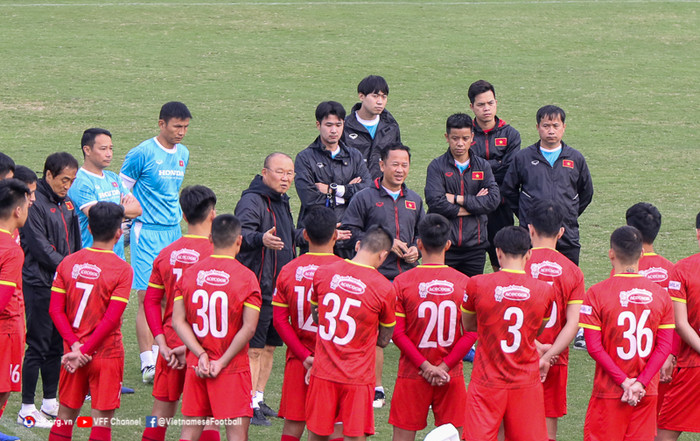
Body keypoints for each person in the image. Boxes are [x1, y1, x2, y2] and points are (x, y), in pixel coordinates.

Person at [341, 143, 424, 407]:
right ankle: (376, 387)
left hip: (407, 278)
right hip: (376, 278)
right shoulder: (364, 197)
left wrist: (415, 250)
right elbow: (349, 232)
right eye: (395, 164)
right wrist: (384, 244)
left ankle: (422, 384)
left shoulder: (415, 199)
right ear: (381, 165)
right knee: (377, 334)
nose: (400, 170)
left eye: (404, 165)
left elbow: (422, 234)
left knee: (416, 333)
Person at [47, 202, 133, 441]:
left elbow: (55, 310)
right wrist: (86, 350)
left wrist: (75, 346)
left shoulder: (68, 262)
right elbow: (111, 318)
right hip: (106, 354)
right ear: (118, 233)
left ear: (91, 228)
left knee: (65, 417)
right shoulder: (122, 269)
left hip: (72, 354)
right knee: (101, 423)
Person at [460, 226, 556, 441]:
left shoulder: (476, 284)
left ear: (498, 253)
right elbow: (534, 331)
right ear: (529, 254)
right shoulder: (545, 290)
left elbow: (469, 325)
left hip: (487, 381)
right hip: (525, 381)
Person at [579, 226, 674, 441]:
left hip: (609, 390)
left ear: (611, 253)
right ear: (641, 253)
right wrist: (640, 383)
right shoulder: (661, 295)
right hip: (646, 392)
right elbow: (665, 347)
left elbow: (593, 347)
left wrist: (624, 382)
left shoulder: (596, 293)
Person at [120, 101, 192, 383]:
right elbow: (121, 188)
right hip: (146, 231)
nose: (181, 132)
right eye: (177, 126)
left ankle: (165, 352)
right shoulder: (141, 153)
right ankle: (147, 361)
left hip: (173, 232)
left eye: (185, 127)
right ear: (161, 124)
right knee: (146, 296)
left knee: (172, 295)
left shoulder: (184, 153)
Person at [172, 214, 261, 441]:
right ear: (239, 240)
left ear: (210, 239)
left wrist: (200, 353)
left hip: (197, 365)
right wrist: (221, 361)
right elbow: (249, 329)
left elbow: (178, 321)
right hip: (232, 367)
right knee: (236, 435)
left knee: (189, 433)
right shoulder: (247, 278)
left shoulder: (190, 275)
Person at [141, 185, 219, 441]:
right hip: (204, 348)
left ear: (183, 217)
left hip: (170, 345)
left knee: (160, 412)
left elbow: (151, 302)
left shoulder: (166, 254)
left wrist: (160, 342)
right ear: (212, 215)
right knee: (208, 418)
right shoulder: (218, 256)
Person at [389, 213, 475, 441]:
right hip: (451, 374)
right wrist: (444, 367)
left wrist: (425, 366)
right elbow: (472, 333)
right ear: (448, 244)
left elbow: (397, 333)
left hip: (412, 371)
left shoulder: (402, 282)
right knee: (455, 436)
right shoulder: (465, 283)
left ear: (419, 243)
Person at [307, 225, 396, 441]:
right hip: (357, 376)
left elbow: (316, 316)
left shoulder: (323, 272)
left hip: (323, 371)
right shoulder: (384, 288)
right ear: (383, 255)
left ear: (358, 245)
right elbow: (384, 340)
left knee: (317, 435)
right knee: (354, 436)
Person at [18, 152, 81, 429]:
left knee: (56, 344)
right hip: (39, 283)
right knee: (38, 344)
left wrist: (76, 267)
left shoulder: (68, 203)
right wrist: (68, 269)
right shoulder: (34, 204)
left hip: (61, 283)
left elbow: (76, 243)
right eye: (64, 179)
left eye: (72, 180)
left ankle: (49, 400)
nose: (67, 185)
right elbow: (39, 247)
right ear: (49, 175)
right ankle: (27, 407)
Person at [235, 152, 297, 426]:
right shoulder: (251, 200)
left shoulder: (282, 201)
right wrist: (261, 238)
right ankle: (246, 402)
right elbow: (240, 237)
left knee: (270, 347)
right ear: (264, 172)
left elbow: (287, 237)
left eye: (290, 173)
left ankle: (258, 398)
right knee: (254, 350)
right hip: (258, 289)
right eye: (280, 172)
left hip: (278, 291)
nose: (286, 178)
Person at [272, 206, 343, 441]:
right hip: (336, 361)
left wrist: (304, 356)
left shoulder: (288, 270)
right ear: (335, 235)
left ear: (304, 235)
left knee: (293, 425)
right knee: (336, 426)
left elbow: (280, 321)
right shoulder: (347, 273)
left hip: (298, 360)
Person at [502, 105, 594, 266]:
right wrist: (526, 213)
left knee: (567, 281)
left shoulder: (575, 158)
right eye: (546, 126)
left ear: (563, 127)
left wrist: (569, 212)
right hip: (532, 234)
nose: (551, 131)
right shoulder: (523, 157)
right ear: (538, 127)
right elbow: (509, 190)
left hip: (566, 233)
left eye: (555, 126)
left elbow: (586, 192)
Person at [526, 200, 584, 441]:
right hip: (555, 358)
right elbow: (573, 323)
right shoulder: (572, 271)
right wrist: (549, 355)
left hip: (518, 355)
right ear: (561, 232)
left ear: (530, 229)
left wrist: (535, 349)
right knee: (547, 431)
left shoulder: (518, 264)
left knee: (507, 425)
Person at [425, 113, 500, 277]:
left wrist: (457, 199)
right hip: (445, 247)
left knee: (471, 298)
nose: (460, 143)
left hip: (476, 247)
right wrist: (475, 206)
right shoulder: (436, 167)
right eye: (455, 138)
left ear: (472, 137)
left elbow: (493, 201)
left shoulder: (483, 166)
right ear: (447, 137)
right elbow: (435, 202)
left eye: (465, 138)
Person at [294, 101, 370, 257]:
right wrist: (349, 194)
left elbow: (367, 191)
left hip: (350, 237)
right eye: (329, 125)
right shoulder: (305, 158)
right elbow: (310, 199)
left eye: (338, 125)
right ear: (318, 124)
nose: (334, 130)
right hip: (317, 238)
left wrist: (333, 190)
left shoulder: (354, 155)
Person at [467, 80, 521, 272]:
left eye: (490, 103)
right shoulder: (466, 133)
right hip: (473, 206)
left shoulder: (511, 134)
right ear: (472, 106)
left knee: (502, 264)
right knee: (473, 264)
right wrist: (496, 164)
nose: (486, 109)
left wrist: (480, 166)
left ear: (496, 102)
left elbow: (509, 169)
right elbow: (466, 169)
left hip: (502, 206)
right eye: (481, 105)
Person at [656, 212, 700, 441]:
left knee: (664, 432)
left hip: (692, 365)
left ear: (697, 233)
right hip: (689, 365)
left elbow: (681, 324)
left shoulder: (682, 269)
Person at [69, 128, 142, 259]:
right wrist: (122, 210)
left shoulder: (113, 178)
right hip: (91, 258)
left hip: (117, 258)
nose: (109, 154)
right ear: (87, 150)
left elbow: (137, 209)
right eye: (103, 149)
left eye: (111, 148)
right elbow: (98, 218)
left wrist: (113, 211)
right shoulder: (80, 182)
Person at [0, 179, 30, 441]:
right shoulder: (11, 249)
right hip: (6, 329)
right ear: (17, 211)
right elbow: (3, 297)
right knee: (3, 386)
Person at [342, 75, 401, 180]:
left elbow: (397, 160)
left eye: (384, 97)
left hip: (382, 192)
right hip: (352, 192)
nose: (380, 101)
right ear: (361, 96)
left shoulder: (391, 127)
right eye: (375, 96)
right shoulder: (343, 127)